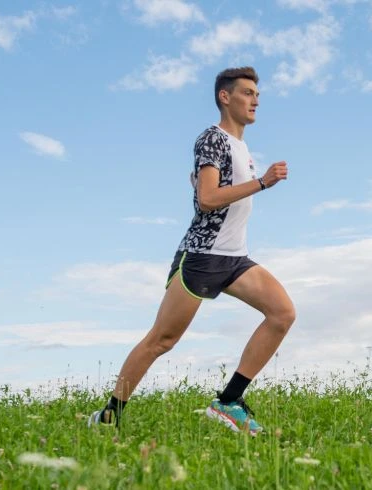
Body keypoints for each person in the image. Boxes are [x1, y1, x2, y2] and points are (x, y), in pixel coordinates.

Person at [89, 66, 294, 435]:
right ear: (225, 97)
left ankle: (228, 401)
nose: (255, 101)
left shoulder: (242, 147)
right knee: (161, 341)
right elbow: (208, 199)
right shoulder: (211, 139)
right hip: (201, 256)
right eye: (247, 93)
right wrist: (262, 182)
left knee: (282, 313)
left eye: (257, 95)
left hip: (234, 258)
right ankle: (109, 416)